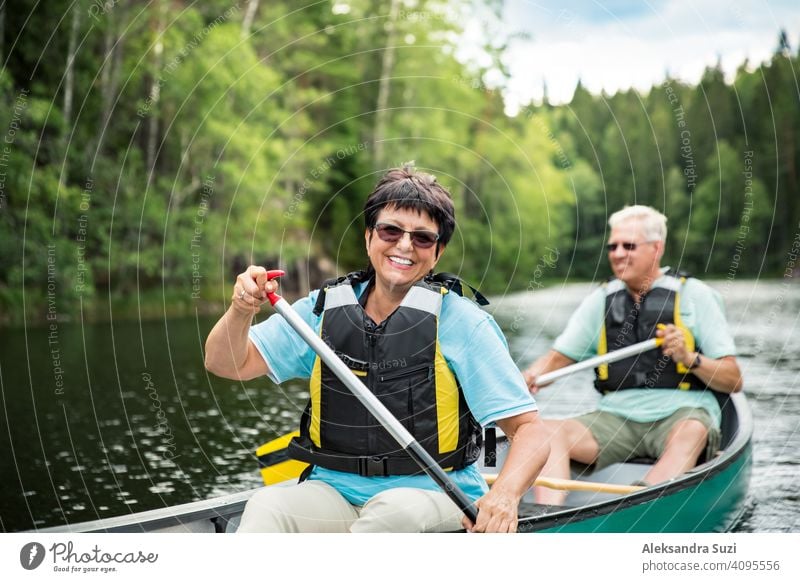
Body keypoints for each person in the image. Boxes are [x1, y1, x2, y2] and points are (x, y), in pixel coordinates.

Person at [204, 164, 549, 532]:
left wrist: (506, 494)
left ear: (438, 251)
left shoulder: (463, 322)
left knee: (390, 515)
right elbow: (227, 363)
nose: (404, 245)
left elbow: (530, 430)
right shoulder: (321, 311)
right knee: (267, 506)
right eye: (390, 230)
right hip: (334, 491)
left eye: (422, 238)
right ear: (369, 236)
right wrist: (241, 310)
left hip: (436, 497)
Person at [522, 205, 743, 505]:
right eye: (613, 246)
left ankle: (638, 507)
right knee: (547, 431)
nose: (617, 253)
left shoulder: (695, 295)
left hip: (681, 415)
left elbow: (733, 380)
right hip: (616, 417)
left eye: (629, 246)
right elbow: (558, 357)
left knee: (692, 431)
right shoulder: (600, 301)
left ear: (656, 248)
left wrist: (689, 358)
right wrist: (533, 375)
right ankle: (546, 517)